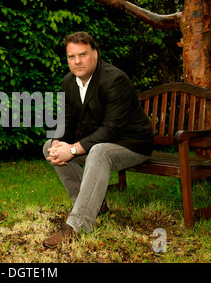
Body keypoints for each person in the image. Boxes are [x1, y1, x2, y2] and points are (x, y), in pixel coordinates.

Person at [42, 31, 154, 248]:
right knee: (49, 146)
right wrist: (57, 142)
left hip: (132, 144)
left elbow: (111, 129)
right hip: (101, 143)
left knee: (99, 151)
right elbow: (67, 120)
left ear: (95, 53)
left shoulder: (115, 80)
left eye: (82, 55)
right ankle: (89, 206)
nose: (77, 61)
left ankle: (78, 224)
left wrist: (73, 150)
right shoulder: (69, 81)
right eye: (71, 57)